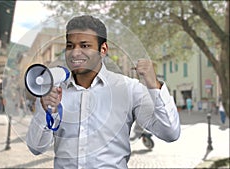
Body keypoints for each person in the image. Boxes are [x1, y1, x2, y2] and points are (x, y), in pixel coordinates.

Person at [26, 15, 180, 168]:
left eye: (85, 46)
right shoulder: (53, 92)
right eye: (70, 46)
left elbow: (170, 133)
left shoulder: (129, 89)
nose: (75, 53)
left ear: (103, 49)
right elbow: (36, 148)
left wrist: (154, 84)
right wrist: (46, 112)